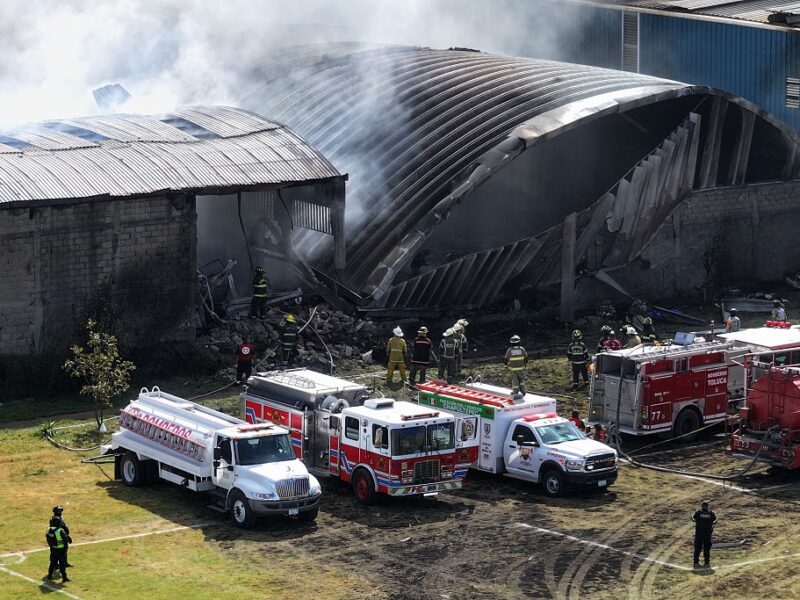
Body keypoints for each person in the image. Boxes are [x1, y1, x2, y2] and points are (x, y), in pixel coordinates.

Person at [692, 500, 718, 568]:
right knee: (707, 548)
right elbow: (715, 520)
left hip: (699, 533)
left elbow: (693, 519)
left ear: (702, 506)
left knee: (697, 548)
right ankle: (706, 562)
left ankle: (695, 562)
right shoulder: (711, 513)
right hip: (707, 534)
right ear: (708, 507)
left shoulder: (698, 513)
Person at [46, 516, 70, 582]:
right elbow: (65, 540)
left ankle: (49, 576)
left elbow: (47, 539)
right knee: (62, 564)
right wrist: (66, 549)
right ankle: (64, 578)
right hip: (61, 550)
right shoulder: (60, 530)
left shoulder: (49, 530)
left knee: (52, 563)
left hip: (53, 549)